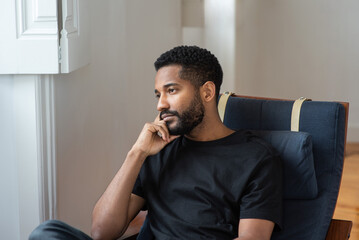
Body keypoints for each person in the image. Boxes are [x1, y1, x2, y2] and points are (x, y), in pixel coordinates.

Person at [29, 46, 282, 240]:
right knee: (48, 232)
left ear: (207, 92)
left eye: (171, 91)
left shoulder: (255, 158)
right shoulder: (159, 149)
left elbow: (252, 237)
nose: (161, 104)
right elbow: (101, 232)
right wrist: (137, 153)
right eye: (158, 94)